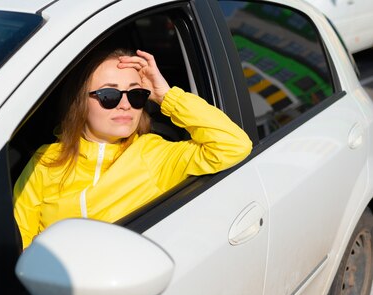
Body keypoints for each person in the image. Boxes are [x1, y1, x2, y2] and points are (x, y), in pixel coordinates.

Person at [13, 48, 252, 249]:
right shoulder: (46, 160)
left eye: (136, 94)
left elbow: (233, 145)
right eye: (110, 95)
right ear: (79, 102)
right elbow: (19, 236)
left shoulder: (154, 155)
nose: (126, 104)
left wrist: (166, 96)